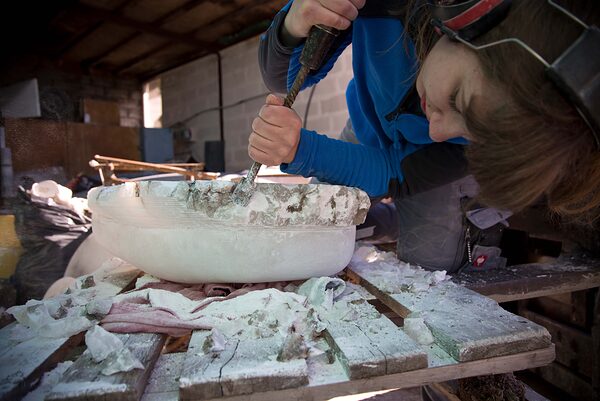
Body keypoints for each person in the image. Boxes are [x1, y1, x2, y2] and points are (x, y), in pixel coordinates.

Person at [248, 0, 600, 272]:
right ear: (470, 20)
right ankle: (390, 219)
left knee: (429, 268)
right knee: (316, 219)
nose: (439, 131)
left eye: (471, 133)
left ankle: (416, 218)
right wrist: (295, 24)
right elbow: (283, 79)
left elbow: (395, 175)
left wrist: (299, 148)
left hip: (433, 173)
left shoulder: (457, 138)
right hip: (371, 121)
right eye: (458, 101)